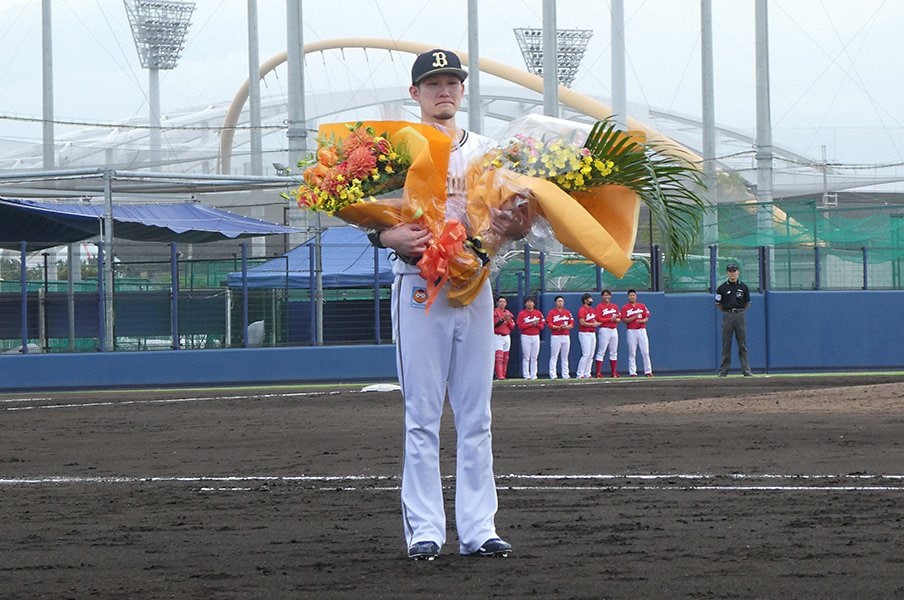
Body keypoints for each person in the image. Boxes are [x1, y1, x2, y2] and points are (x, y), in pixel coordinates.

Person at [369, 49, 513, 561]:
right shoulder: (395, 150)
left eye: (452, 81)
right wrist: (386, 235)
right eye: (433, 83)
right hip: (418, 286)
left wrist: (511, 226)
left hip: (474, 285)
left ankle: (479, 529)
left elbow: (509, 216)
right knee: (422, 413)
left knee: (478, 414)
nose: (443, 90)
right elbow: (369, 213)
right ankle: (426, 529)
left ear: (463, 90)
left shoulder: (490, 150)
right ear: (416, 94)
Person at [715, 263, 753, 377]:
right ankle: (723, 371)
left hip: (739, 315)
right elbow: (718, 303)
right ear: (727, 273)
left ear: (738, 272)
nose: (732, 273)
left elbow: (748, 302)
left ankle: (746, 370)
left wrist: (740, 312)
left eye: (734, 271)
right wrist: (727, 312)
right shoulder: (721, 288)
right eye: (730, 271)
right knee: (726, 343)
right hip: (727, 315)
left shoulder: (743, 287)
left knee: (742, 344)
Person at [621, 289, 653, 377]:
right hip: (631, 330)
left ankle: (648, 371)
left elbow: (647, 317)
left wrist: (643, 320)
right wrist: (634, 318)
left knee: (645, 352)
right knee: (632, 352)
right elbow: (624, 320)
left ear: (636, 296)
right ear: (628, 297)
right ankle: (633, 372)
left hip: (642, 330)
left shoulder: (642, 306)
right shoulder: (625, 307)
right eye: (630, 295)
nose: (632, 297)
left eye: (633, 295)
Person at [516, 296, 545, 380]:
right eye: (528, 302)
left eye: (531, 302)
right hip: (526, 336)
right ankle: (526, 375)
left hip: (535, 336)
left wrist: (536, 324)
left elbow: (542, 326)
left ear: (534, 303)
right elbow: (520, 326)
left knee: (534, 357)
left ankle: (534, 375)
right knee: (526, 356)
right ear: (525, 304)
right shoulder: (522, 313)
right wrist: (531, 324)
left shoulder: (538, 313)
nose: (530, 303)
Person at [594, 289, 620, 378]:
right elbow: (598, 319)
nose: (606, 297)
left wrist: (617, 320)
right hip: (604, 329)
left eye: (608, 295)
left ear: (610, 296)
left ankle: (613, 372)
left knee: (614, 352)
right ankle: (598, 373)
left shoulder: (614, 306)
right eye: (604, 295)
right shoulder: (599, 307)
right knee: (601, 351)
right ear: (602, 297)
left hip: (613, 329)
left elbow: (619, 317)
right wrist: (610, 319)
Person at [546, 295, 574, 379]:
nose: (560, 302)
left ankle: (565, 374)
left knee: (565, 356)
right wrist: (557, 327)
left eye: (562, 301)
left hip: (565, 335)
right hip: (556, 336)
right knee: (554, 356)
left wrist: (567, 327)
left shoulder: (567, 312)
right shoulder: (552, 312)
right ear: (556, 302)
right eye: (559, 301)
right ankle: (553, 374)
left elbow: (572, 324)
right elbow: (549, 324)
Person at [576, 293, 599, 378]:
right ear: (585, 300)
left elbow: (595, 320)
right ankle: (580, 374)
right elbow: (582, 322)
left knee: (591, 355)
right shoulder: (582, 309)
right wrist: (592, 324)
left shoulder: (593, 310)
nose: (591, 300)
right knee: (586, 354)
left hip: (592, 333)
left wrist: (596, 323)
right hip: (584, 333)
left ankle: (587, 373)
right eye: (590, 299)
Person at [492, 296, 515, 380]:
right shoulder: (494, 312)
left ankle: (503, 374)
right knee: (499, 357)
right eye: (500, 301)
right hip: (497, 336)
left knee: (506, 357)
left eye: (504, 301)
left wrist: (508, 321)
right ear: (497, 303)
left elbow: (512, 326)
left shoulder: (508, 312)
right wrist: (502, 320)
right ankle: (499, 375)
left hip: (507, 336)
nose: (502, 303)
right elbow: (494, 325)